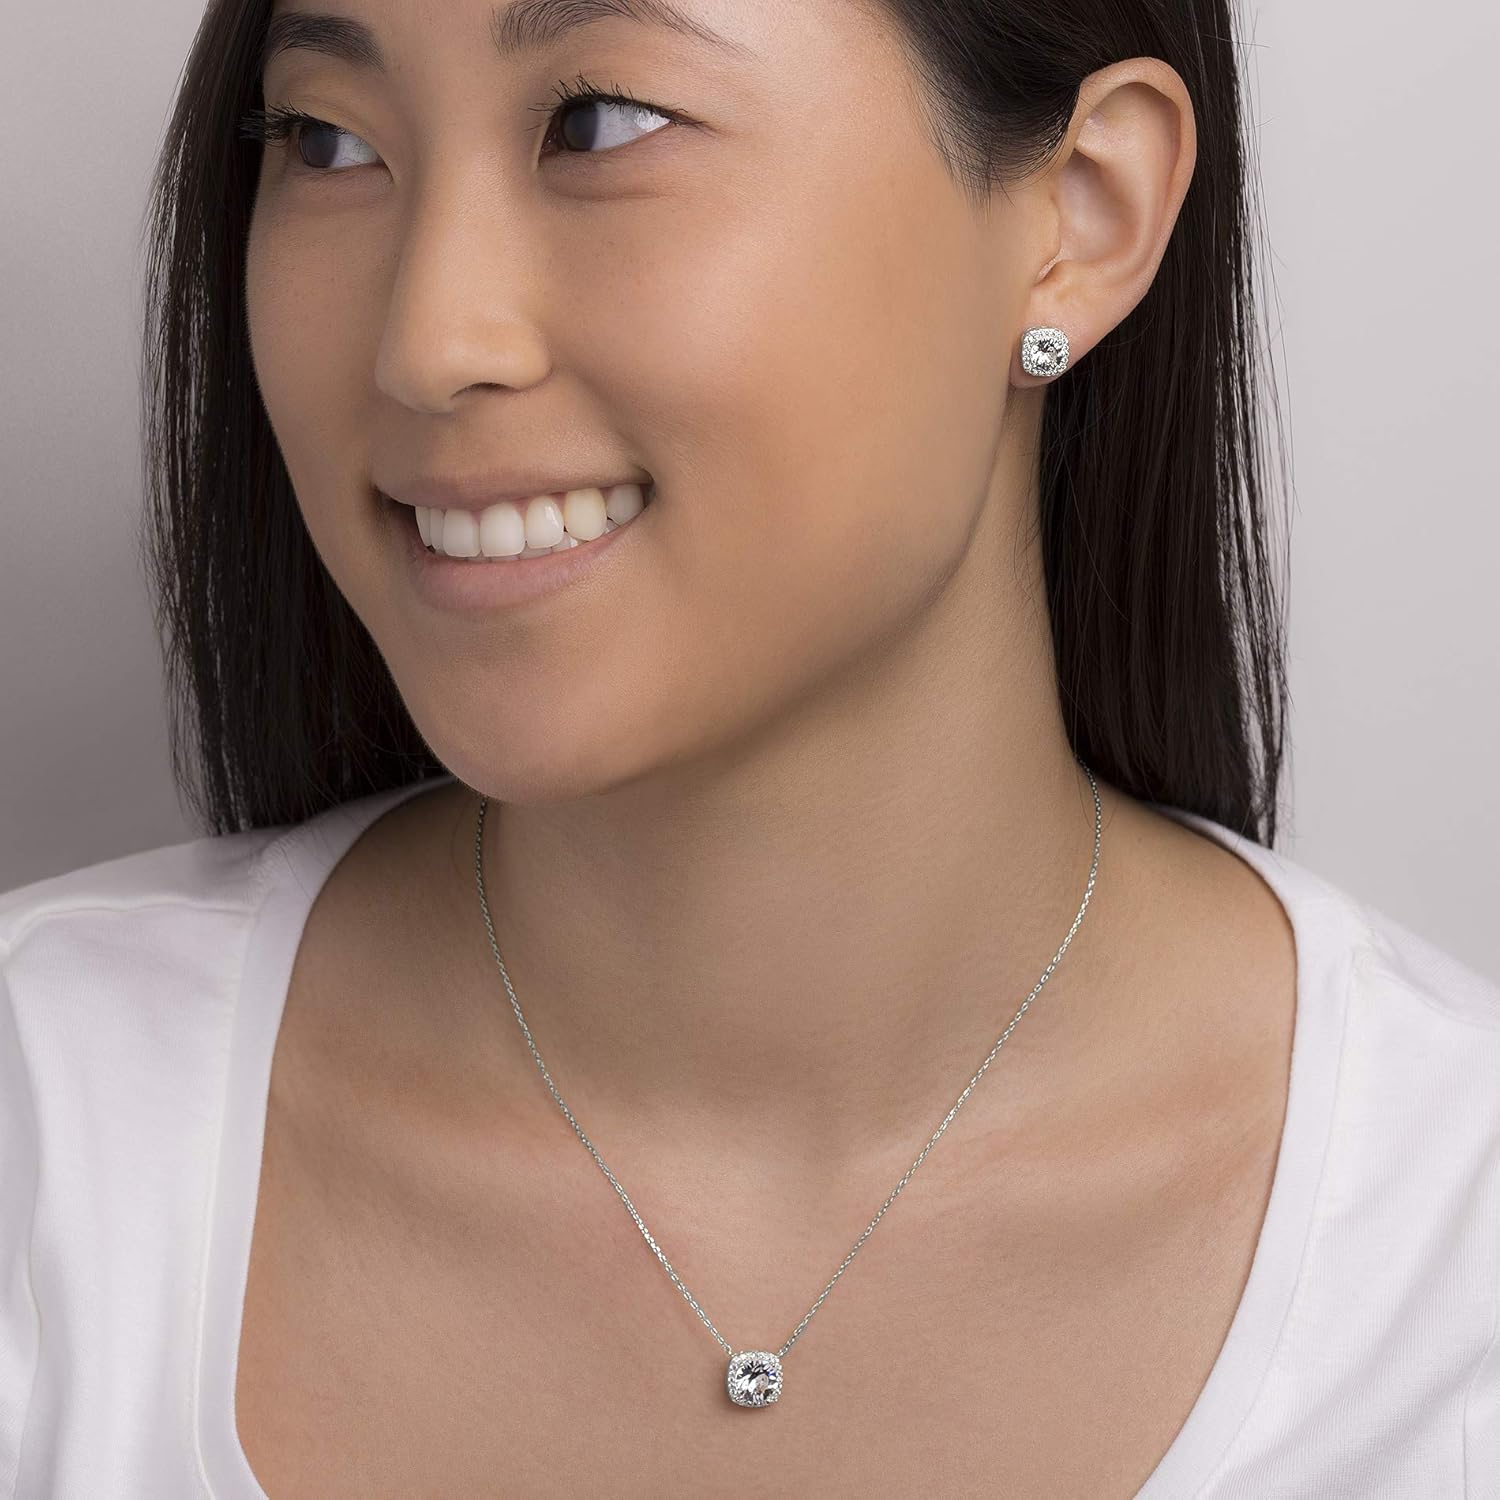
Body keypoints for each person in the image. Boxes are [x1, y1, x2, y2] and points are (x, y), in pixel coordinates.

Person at [2, 0, 1496, 1494]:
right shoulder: (48, 1152)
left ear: (1080, 216)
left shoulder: (1448, 1269)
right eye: (328, 142)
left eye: (600, 123)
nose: (429, 344)